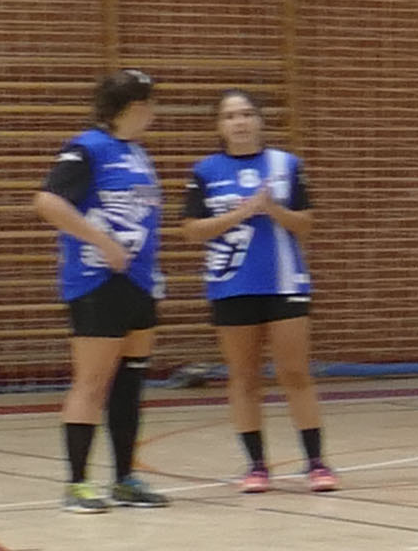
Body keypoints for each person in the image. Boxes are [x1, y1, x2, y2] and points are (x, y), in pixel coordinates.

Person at [33, 70, 172, 513]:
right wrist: (103, 243)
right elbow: (49, 202)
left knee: (130, 382)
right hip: (97, 282)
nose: (154, 112)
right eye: (149, 103)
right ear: (131, 107)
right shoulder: (86, 148)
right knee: (92, 382)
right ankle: (77, 485)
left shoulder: (138, 154)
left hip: (138, 282)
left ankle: (126, 479)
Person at [187, 89, 336, 491]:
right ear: (220, 125)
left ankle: (317, 463)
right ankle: (256, 466)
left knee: (294, 372)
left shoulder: (286, 166)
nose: (240, 122)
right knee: (244, 377)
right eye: (230, 115)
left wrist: (272, 209)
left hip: (285, 282)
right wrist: (242, 212)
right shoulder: (205, 171)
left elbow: (306, 223)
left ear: (259, 120)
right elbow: (192, 230)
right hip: (231, 284)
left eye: (247, 113)